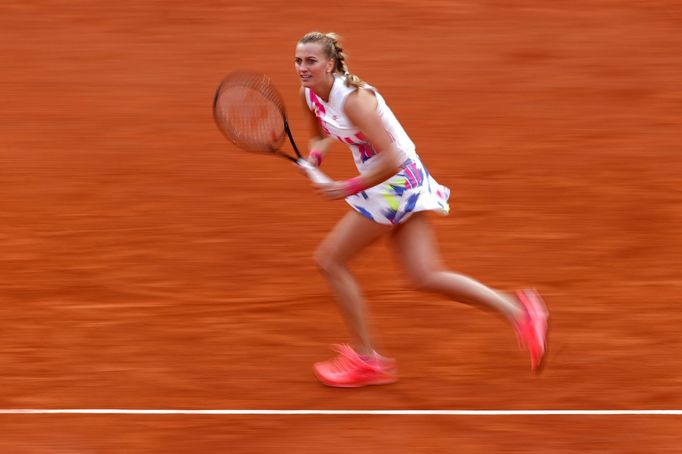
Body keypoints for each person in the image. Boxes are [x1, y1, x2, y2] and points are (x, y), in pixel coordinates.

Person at [294, 31, 548, 388]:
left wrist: (346, 187)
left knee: (331, 260)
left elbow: (394, 159)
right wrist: (315, 158)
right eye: (299, 61)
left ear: (331, 64)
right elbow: (321, 133)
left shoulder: (355, 101)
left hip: (396, 181)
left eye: (311, 61)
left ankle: (368, 361)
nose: (303, 68)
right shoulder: (310, 94)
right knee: (425, 275)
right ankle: (520, 311)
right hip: (393, 181)